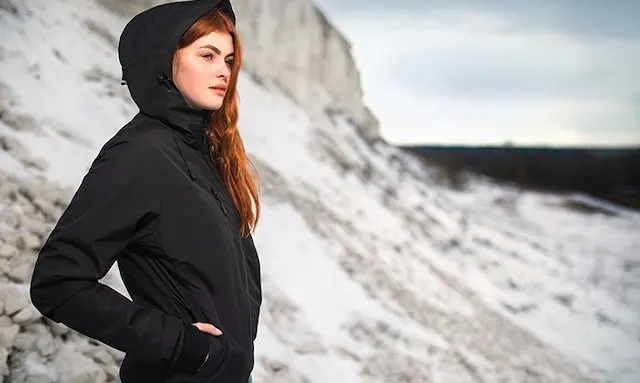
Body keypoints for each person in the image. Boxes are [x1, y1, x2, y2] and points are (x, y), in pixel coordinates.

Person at [29, 1, 262, 382]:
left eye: (229, 59)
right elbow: (58, 282)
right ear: (165, 61)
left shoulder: (205, 156)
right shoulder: (140, 155)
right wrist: (185, 347)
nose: (223, 70)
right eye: (207, 55)